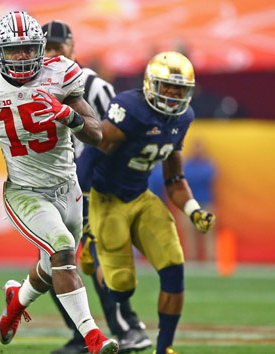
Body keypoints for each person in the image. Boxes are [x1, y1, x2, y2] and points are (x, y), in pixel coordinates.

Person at [0, 11, 118, 354]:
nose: (23, 57)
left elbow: (98, 134)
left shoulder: (61, 74)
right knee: (63, 252)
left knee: (49, 265)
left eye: (28, 49)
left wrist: (68, 115)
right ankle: (93, 338)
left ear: (40, 48)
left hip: (68, 188)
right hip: (25, 191)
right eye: (15, 50)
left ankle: (15, 304)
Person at [76, 51, 216, 354]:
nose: (174, 95)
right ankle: (93, 249)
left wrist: (193, 211)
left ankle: (164, 347)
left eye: (180, 89)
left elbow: (174, 177)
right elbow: (91, 155)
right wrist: (83, 211)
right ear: (152, 84)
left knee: (173, 267)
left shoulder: (184, 117)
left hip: (141, 197)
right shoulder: (130, 108)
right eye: (168, 86)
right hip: (107, 198)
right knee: (122, 287)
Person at [41, 20, 150, 354]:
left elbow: (117, 133)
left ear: (72, 47)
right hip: (50, 185)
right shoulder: (29, 85)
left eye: (58, 47)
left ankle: (128, 326)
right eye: (47, 48)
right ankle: (80, 334)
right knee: (53, 262)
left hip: (89, 186)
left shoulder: (92, 85)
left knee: (98, 256)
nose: (53, 54)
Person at [179, 140, 217, 263]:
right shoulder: (186, 164)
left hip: (205, 202)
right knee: (189, 233)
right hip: (189, 203)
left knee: (208, 232)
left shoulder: (208, 164)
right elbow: (183, 177)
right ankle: (192, 258)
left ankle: (210, 260)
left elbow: (208, 176)